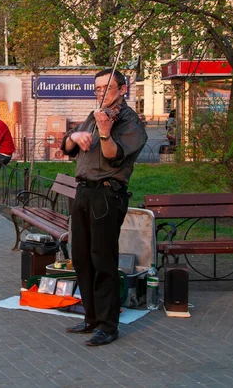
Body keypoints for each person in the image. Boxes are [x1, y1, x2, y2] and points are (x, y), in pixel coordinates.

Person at [61, 68, 147, 347]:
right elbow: (67, 145)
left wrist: (105, 133)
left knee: (103, 260)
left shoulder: (129, 122)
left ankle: (108, 326)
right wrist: (75, 138)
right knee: (82, 258)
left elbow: (113, 157)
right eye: (96, 88)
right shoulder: (95, 113)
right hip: (84, 192)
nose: (100, 93)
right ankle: (92, 318)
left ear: (122, 89)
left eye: (106, 88)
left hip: (107, 195)